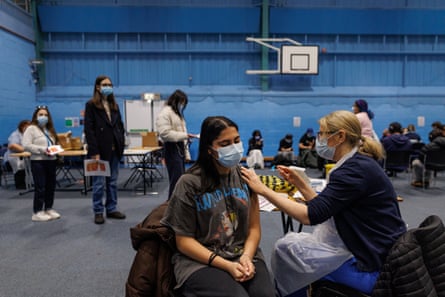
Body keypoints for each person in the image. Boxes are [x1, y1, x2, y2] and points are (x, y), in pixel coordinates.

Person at [241, 110, 406, 297]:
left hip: (369, 261)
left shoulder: (352, 171)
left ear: (340, 136)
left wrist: (262, 189)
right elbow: (325, 208)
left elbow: (310, 216)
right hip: (374, 248)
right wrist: (301, 184)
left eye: (322, 134)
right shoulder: (358, 164)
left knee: (285, 251)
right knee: (288, 246)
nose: (318, 139)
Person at [160, 116, 275, 297]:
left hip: (242, 254)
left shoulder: (246, 177)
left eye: (236, 141)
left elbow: (253, 228)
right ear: (209, 149)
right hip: (200, 260)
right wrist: (227, 265)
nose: (234, 147)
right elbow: (183, 242)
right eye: (225, 143)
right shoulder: (189, 183)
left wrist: (246, 256)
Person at [84, 75, 126, 224]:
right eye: (105, 84)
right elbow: (89, 130)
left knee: (112, 182)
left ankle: (112, 208)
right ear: (97, 87)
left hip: (115, 150)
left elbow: (119, 125)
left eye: (110, 84)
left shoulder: (114, 105)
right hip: (99, 151)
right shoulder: (91, 105)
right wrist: (94, 151)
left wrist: (121, 140)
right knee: (99, 183)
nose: (108, 87)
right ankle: (98, 211)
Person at [155, 89, 197, 199]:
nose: (182, 105)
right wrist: (185, 136)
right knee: (176, 181)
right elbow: (165, 134)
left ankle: (178, 204)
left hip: (179, 149)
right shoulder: (165, 113)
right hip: (171, 149)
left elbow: (181, 133)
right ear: (175, 100)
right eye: (181, 102)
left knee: (180, 180)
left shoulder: (177, 114)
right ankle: (171, 206)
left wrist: (187, 153)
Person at [22, 106, 61, 222]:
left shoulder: (49, 130)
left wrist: (56, 149)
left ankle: (48, 208)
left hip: (51, 161)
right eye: (41, 114)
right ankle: (37, 211)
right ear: (36, 116)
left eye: (45, 115)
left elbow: (52, 144)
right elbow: (26, 145)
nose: (43, 117)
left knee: (51, 186)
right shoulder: (31, 129)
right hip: (38, 161)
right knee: (41, 187)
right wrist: (43, 149)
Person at [3, 119, 31, 189]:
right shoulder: (15, 135)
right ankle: (20, 185)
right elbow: (12, 146)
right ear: (22, 127)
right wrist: (25, 149)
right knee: (20, 164)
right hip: (12, 160)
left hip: (25, 157)